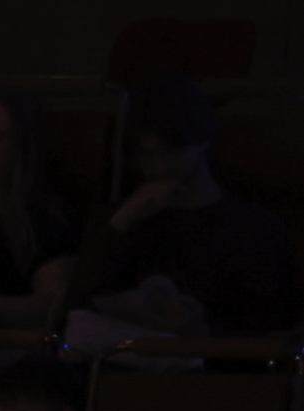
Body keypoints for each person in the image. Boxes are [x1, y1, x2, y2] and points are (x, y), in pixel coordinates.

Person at [71, 73, 296, 342]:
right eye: (147, 154)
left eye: (171, 152)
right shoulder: (122, 219)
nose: (159, 168)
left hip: (210, 370)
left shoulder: (253, 230)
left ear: (203, 142)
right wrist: (120, 222)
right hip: (121, 363)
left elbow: (271, 334)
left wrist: (199, 334)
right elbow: (72, 309)